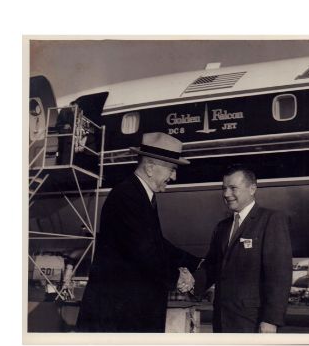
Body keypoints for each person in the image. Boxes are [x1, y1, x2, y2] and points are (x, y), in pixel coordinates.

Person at [76, 132, 201, 332]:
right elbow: (143, 251)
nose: (174, 177)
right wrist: (177, 277)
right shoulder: (127, 196)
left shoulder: (139, 195)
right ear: (150, 168)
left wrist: (194, 262)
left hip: (127, 315)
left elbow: (156, 243)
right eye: (172, 169)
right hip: (118, 319)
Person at [193, 165, 293, 333]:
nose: (226, 194)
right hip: (222, 320)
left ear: (252, 189)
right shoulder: (222, 227)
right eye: (224, 188)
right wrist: (187, 283)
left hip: (252, 322)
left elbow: (279, 274)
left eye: (233, 188)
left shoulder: (271, 220)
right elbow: (212, 267)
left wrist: (271, 320)